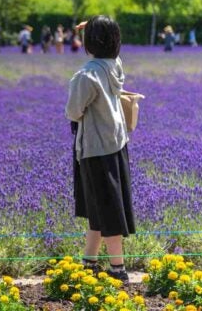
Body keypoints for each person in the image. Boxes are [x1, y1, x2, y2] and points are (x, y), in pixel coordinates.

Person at [66, 16, 135, 283]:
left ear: (89, 42)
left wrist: (89, 36)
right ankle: (89, 261)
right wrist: (97, 30)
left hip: (94, 148)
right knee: (97, 204)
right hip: (116, 144)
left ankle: (118, 269)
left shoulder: (86, 75)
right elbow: (108, 49)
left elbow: (73, 112)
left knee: (106, 207)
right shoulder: (114, 65)